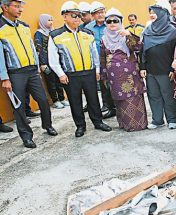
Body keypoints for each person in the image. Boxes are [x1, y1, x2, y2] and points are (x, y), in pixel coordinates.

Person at [48, 1, 112, 137]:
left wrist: (97, 70)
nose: (78, 18)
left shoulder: (87, 33)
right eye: (74, 15)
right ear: (65, 17)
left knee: (93, 98)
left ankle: (98, 122)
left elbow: (94, 53)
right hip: (70, 74)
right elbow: (53, 59)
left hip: (89, 72)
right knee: (75, 101)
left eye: (79, 15)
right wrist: (60, 74)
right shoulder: (56, 35)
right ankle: (80, 126)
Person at [0, 0, 58, 148]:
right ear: (5, 7)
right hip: (15, 73)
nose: (20, 9)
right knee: (18, 107)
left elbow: (32, 48)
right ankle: (26, 136)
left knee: (43, 100)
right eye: (16, 6)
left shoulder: (24, 26)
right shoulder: (0, 27)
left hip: (32, 71)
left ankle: (47, 125)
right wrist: (4, 77)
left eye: (21, 6)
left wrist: (37, 68)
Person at [100, 8, 147, 132]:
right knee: (120, 100)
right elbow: (102, 58)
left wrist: (129, 35)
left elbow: (138, 47)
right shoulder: (104, 39)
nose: (112, 23)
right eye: (109, 21)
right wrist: (104, 76)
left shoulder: (126, 35)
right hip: (114, 76)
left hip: (130, 75)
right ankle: (125, 125)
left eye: (115, 20)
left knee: (133, 98)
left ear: (120, 21)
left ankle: (138, 125)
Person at [141, 5, 176, 130]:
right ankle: (157, 120)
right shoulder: (147, 31)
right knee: (153, 95)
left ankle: (172, 119)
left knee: (168, 95)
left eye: (154, 12)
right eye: (150, 12)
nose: (151, 15)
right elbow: (143, 51)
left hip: (165, 70)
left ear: (162, 14)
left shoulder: (172, 31)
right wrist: (143, 67)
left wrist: (173, 69)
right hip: (151, 70)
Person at [86, 1, 116, 118]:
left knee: (116, 83)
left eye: (102, 12)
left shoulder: (111, 23)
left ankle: (118, 106)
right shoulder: (88, 28)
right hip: (97, 60)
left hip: (112, 59)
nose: (100, 15)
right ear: (93, 15)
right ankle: (109, 107)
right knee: (103, 85)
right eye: (97, 13)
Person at [34, 14, 69, 109]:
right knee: (51, 82)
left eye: (51, 19)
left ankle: (62, 98)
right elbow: (39, 49)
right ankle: (55, 100)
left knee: (59, 80)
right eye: (48, 20)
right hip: (46, 62)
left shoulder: (53, 32)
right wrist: (42, 63)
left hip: (56, 60)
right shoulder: (39, 33)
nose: (51, 22)